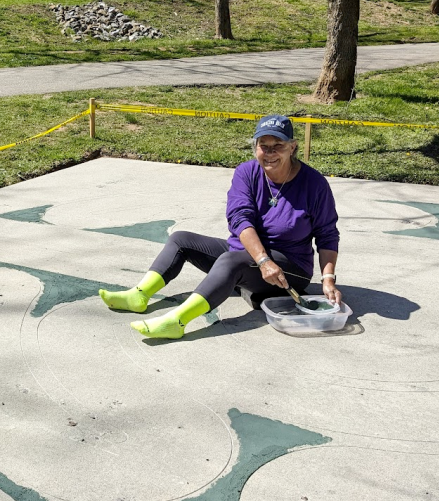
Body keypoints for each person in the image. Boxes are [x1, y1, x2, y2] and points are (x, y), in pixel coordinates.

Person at [99, 115, 341, 339]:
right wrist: (262, 260)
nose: (269, 153)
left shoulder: (314, 184)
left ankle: (177, 322)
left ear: (293, 147)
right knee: (181, 239)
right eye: (263, 145)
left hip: (290, 267)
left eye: (277, 145)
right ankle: (139, 296)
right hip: (252, 255)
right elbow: (239, 219)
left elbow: (327, 235)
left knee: (230, 261)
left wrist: (328, 279)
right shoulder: (247, 172)